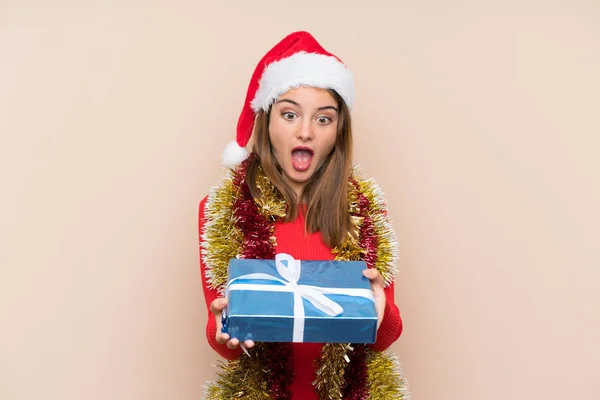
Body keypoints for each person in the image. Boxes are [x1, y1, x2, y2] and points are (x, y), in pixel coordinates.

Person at [199, 31, 408, 399]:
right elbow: (229, 343)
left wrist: (380, 313)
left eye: (323, 119)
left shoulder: (366, 211)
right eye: (290, 114)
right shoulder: (222, 210)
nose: (306, 131)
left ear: (338, 130)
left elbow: (384, 338)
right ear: (266, 121)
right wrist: (222, 330)